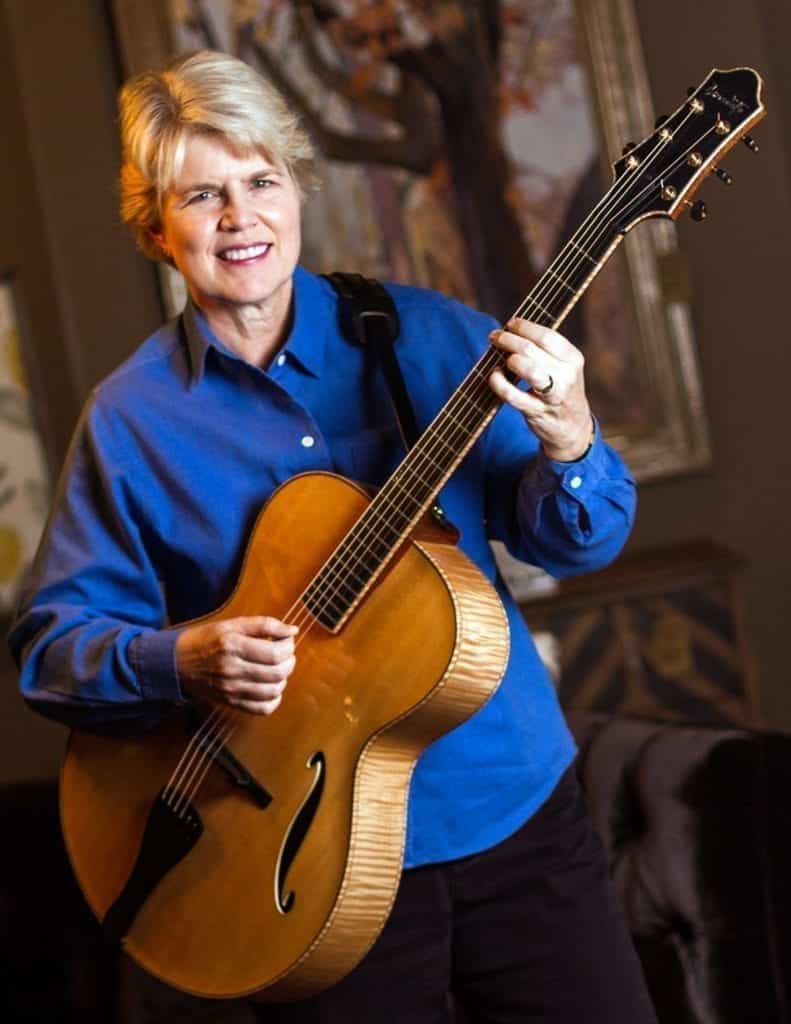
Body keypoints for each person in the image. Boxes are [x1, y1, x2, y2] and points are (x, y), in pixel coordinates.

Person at [8, 49, 656, 1023]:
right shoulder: (131, 420)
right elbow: (48, 650)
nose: (241, 218)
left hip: (509, 811)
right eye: (202, 196)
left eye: (262, 181)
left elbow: (578, 543)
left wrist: (570, 441)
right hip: (298, 867)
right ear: (154, 227)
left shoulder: (431, 336)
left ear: (295, 189)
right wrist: (181, 658)